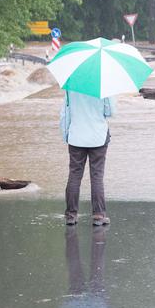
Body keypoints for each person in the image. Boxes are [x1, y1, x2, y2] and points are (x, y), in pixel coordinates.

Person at [61, 90, 116, 226]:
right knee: (97, 176)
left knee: (74, 175)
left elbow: (65, 114)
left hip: (76, 136)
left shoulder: (71, 85)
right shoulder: (104, 85)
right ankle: (98, 215)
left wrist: (66, 135)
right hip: (97, 136)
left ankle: (71, 215)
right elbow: (110, 111)